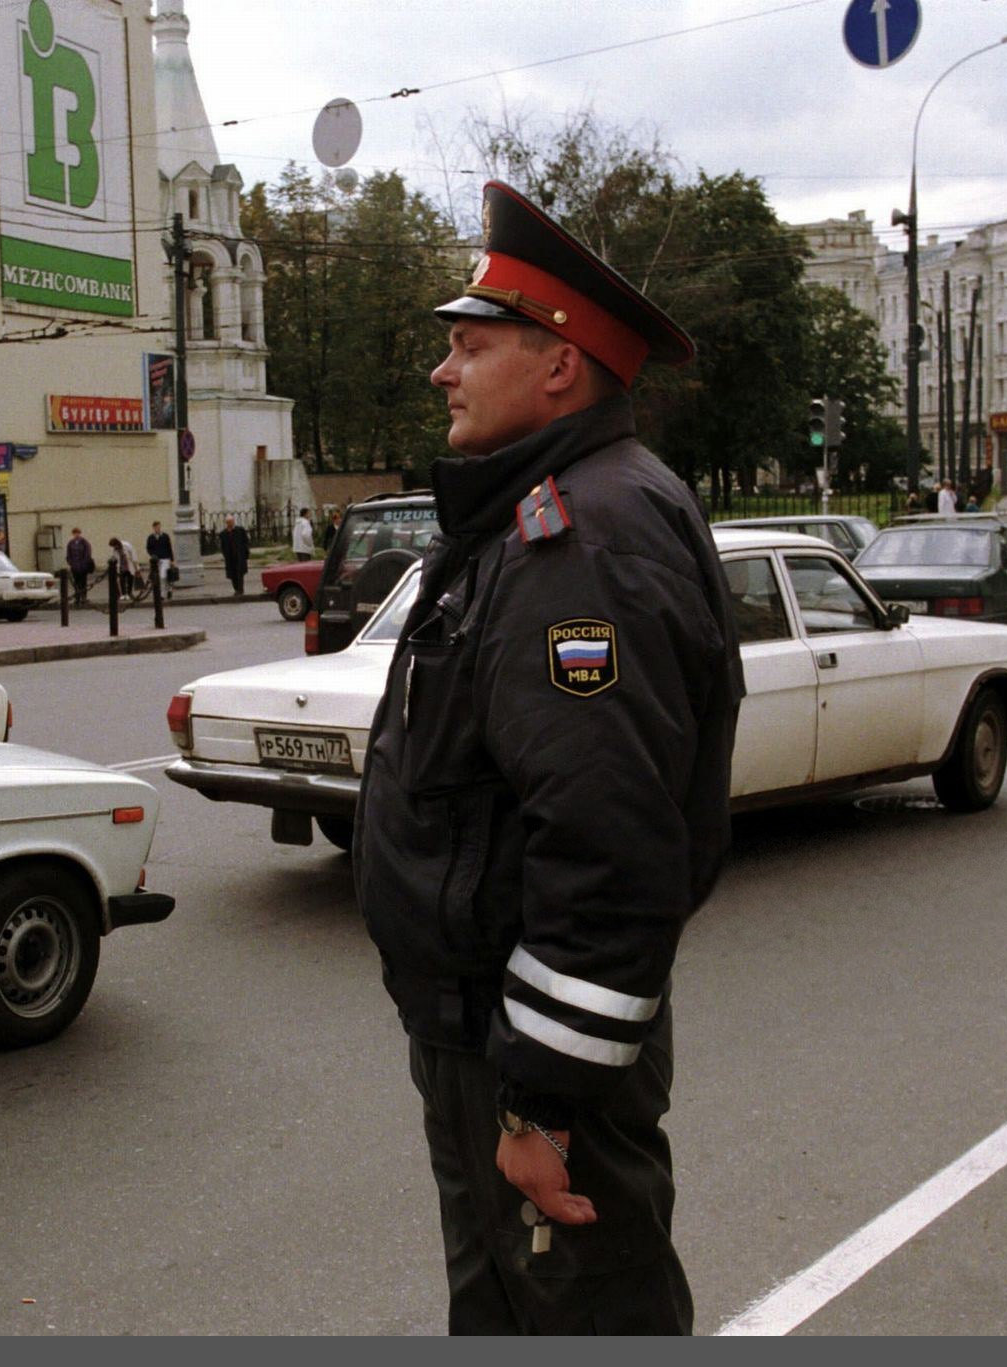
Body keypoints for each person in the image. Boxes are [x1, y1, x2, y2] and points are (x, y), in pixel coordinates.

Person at [354, 181, 743, 1335]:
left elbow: (607, 841)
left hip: (528, 1054)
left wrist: (540, 1102)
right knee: (506, 1312)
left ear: (559, 366)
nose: (443, 370)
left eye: (471, 346)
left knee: (578, 1315)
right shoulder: (535, 516)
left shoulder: (578, 541)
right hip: (489, 1034)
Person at [217, 515, 251, 597]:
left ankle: (240, 590)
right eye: (228, 522)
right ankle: (236, 589)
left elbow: (245, 542)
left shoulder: (240, 530)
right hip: (230, 557)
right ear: (226, 523)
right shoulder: (223, 534)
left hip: (239, 556)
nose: (230, 524)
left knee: (240, 573)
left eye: (231, 522)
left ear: (233, 521)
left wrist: (246, 553)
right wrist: (224, 554)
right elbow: (222, 546)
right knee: (232, 574)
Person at [64, 527, 95, 606]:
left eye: (77, 533)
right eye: (74, 533)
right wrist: (70, 562)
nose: (76, 534)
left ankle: (83, 597)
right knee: (76, 582)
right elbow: (68, 554)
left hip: (83, 566)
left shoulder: (84, 542)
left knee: (83, 582)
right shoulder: (71, 543)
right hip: (74, 566)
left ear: (80, 533)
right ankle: (77, 597)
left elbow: (87, 553)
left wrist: (84, 563)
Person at [146, 521, 176, 599]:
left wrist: (172, 559)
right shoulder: (151, 538)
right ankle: (168, 590)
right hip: (156, 561)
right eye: (156, 527)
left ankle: (163, 594)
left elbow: (169, 548)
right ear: (153, 528)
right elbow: (148, 548)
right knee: (160, 577)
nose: (158, 529)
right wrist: (153, 556)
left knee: (163, 576)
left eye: (159, 527)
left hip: (165, 558)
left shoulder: (165, 536)